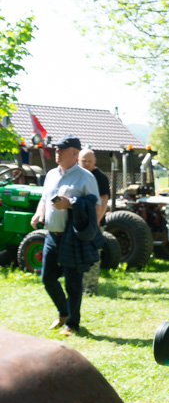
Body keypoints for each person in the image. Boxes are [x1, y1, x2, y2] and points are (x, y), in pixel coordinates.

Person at [30, 135, 101, 337]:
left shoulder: (86, 177)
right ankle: (63, 313)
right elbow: (45, 198)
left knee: (72, 283)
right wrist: (39, 213)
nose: (57, 152)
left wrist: (70, 204)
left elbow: (94, 206)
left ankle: (73, 323)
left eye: (62, 150)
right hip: (52, 235)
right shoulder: (51, 174)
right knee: (48, 278)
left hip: (73, 237)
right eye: (57, 149)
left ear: (75, 154)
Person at [78, 148, 110, 295]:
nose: (86, 164)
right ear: (78, 160)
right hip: (79, 222)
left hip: (95, 223)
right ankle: (79, 286)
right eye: (84, 161)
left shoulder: (100, 177)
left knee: (92, 255)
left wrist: (97, 219)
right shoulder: (77, 174)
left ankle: (90, 288)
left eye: (89, 161)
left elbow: (104, 200)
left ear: (94, 161)